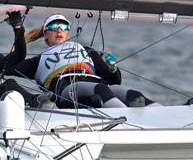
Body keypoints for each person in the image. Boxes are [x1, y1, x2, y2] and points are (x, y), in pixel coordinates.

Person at [11, 14, 159, 109]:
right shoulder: (37, 61)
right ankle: (128, 121)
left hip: (98, 85)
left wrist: (113, 68)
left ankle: (171, 116)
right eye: (54, 27)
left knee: (136, 96)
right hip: (66, 91)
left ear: (68, 32)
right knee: (101, 90)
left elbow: (113, 80)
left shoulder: (86, 50)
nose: (59, 30)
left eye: (63, 27)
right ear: (45, 34)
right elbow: (8, 66)